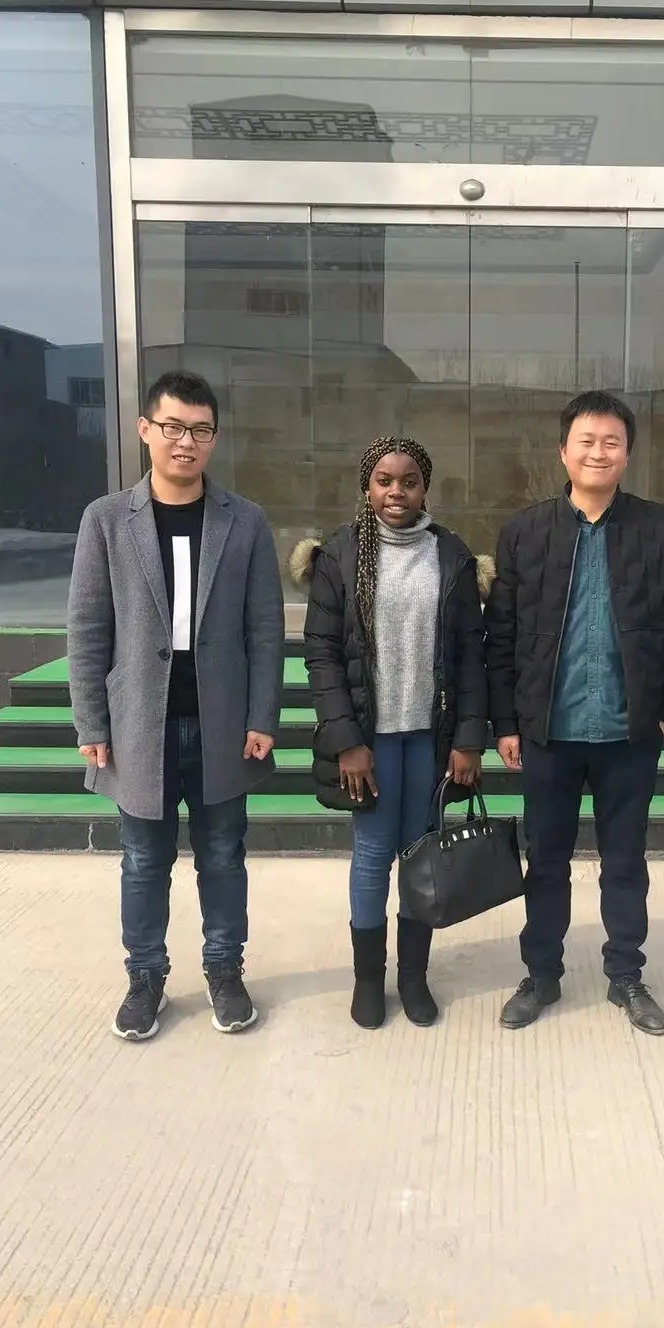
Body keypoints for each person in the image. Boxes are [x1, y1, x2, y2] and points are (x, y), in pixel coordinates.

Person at [68, 370, 284, 1041]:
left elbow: (266, 628)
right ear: (146, 430)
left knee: (223, 856)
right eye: (172, 427)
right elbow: (87, 627)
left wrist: (262, 716)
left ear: (213, 438)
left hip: (221, 723)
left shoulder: (244, 522)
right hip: (139, 724)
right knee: (143, 861)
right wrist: (91, 721)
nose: (185, 441)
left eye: (199, 430)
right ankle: (145, 978)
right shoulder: (107, 520)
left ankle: (224, 970)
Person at [484, 391, 664, 1036]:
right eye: (586, 441)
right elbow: (501, 635)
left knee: (625, 862)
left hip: (628, 732)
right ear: (563, 450)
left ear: (628, 453)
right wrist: (506, 723)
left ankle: (627, 975)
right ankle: (542, 974)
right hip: (548, 732)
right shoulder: (525, 532)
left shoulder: (661, 530)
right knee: (545, 861)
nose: (598, 452)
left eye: (612, 442)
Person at [294, 437, 489, 1030]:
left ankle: (413, 977)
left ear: (425, 487)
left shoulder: (450, 555)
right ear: (367, 487)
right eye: (384, 480)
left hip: (429, 738)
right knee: (374, 855)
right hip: (369, 741)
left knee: (420, 856)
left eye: (409, 481)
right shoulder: (339, 556)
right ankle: (367, 979)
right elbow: (322, 655)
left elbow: (470, 656)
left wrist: (469, 740)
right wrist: (346, 741)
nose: (396, 492)